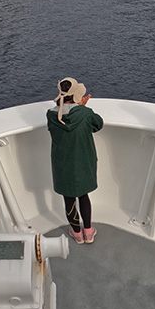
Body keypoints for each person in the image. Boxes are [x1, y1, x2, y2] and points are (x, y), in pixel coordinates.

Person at [47, 76, 104, 244]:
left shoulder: (50, 115)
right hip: (83, 161)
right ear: (77, 96)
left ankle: (77, 233)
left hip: (62, 163)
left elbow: (61, 116)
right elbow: (98, 124)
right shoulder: (85, 113)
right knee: (83, 196)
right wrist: (82, 107)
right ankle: (88, 231)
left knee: (69, 198)